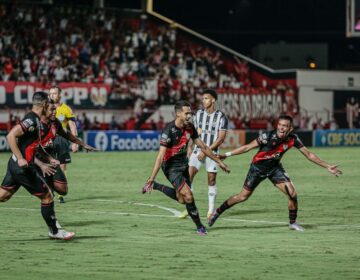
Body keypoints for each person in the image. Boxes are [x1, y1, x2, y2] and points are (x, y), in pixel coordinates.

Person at [208, 115, 342, 231]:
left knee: (292, 193)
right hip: (257, 169)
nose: (281, 128)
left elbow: (309, 155)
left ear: (290, 128)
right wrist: (227, 154)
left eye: (285, 126)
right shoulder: (267, 136)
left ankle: (293, 223)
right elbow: (247, 147)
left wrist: (327, 166)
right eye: (280, 125)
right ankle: (217, 212)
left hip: (275, 169)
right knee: (242, 197)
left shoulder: (293, 139)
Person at [142, 100, 230, 235]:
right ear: (178, 114)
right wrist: (152, 177)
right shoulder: (168, 131)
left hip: (184, 164)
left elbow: (204, 147)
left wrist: (219, 161)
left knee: (181, 199)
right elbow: (160, 157)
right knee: (189, 196)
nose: (190, 115)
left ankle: (157, 186)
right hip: (171, 167)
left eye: (190, 112)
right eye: (187, 113)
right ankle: (200, 227)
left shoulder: (190, 127)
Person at [0, 91, 75, 240]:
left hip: (14, 163)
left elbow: (33, 146)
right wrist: (21, 158)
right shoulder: (32, 120)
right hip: (22, 167)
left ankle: (54, 230)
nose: (51, 103)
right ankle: (54, 231)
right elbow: (10, 136)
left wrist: (46, 158)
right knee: (47, 197)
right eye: (48, 101)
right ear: (43, 104)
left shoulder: (40, 120)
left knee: (3, 195)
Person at [179, 89, 228, 219]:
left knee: (211, 180)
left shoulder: (221, 117)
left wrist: (206, 151)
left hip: (212, 152)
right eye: (203, 98)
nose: (203, 100)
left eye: (206, 98)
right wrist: (190, 148)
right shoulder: (198, 114)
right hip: (197, 151)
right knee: (188, 178)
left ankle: (211, 210)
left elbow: (221, 138)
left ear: (213, 100)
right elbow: (192, 133)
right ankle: (190, 207)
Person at [35, 102, 97, 198]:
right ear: (44, 111)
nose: (55, 112)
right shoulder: (35, 123)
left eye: (55, 109)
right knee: (3, 195)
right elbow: (23, 146)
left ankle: (51, 189)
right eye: (52, 110)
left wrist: (83, 144)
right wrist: (41, 165)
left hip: (48, 157)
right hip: (32, 159)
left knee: (63, 189)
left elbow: (68, 134)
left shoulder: (55, 122)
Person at [49, 86, 78, 203]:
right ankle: (50, 191)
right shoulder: (46, 108)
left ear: (59, 95)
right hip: (48, 141)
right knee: (48, 166)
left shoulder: (66, 109)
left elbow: (72, 126)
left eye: (54, 93)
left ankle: (61, 194)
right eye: (50, 93)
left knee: (62, 166)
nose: (52, 95)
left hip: (61, 140)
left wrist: (75, 142)